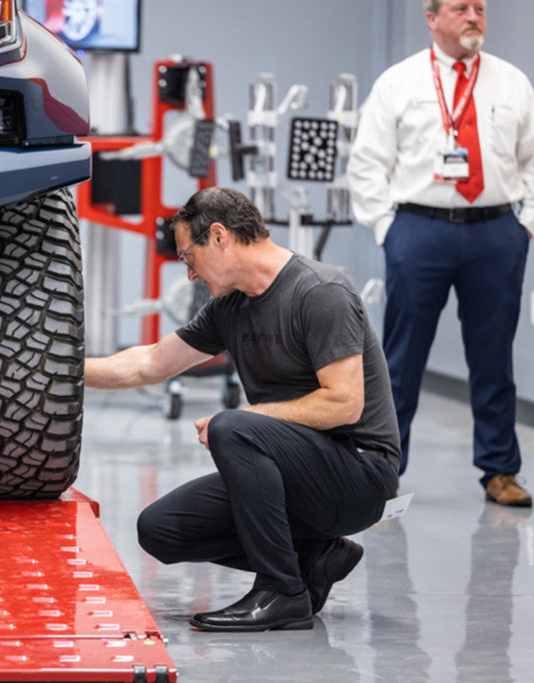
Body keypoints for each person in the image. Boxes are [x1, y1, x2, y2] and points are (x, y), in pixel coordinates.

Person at [84, 187, 400, 632]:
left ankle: (282, 592)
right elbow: (151, 362)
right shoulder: (228, 309)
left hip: (358, 473)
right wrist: (59, 369)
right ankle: (316, 555)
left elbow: (345, 404)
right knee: (160, 529)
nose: (189, 274)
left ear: (218, 236)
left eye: (187, 257)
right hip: (293, 471)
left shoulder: (320, 291)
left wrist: (247, 422)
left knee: (233, 427)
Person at [347, 0, 534, 507]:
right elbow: (367, 163)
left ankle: (500, 470)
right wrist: (388, 231)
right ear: (432, 18)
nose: (474, 16)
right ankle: (383, 473)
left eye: (480, 8)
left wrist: (524, 226)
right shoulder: (399, 83)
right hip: (419, 229)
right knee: (400, 360)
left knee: (493, 358)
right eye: (461, 8)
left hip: (495, 232)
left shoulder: (511, 82)